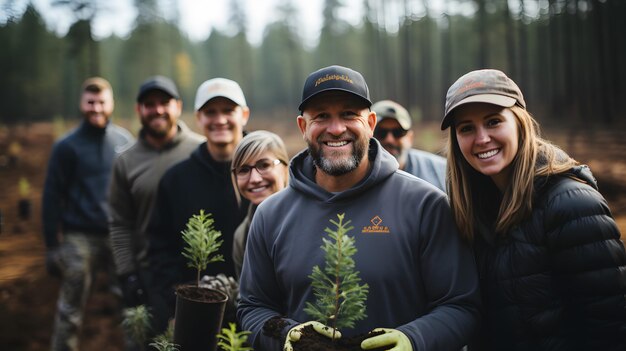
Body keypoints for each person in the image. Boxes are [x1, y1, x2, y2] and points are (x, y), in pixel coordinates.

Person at [237, 65, 481, 351]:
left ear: (371, 123)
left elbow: (461, 306)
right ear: (304, 127)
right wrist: (284, 337)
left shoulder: (425, 205)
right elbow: (252, 308)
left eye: (349, 114)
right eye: (321, 116)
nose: (336, 128)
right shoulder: (271, 215)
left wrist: (414, 340)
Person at [441, 68, 626, 351]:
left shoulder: (571, 204)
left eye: (493, 121)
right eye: (466, 128)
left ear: (519, 123)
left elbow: (609, 326)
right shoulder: (475, 208)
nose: (481, 139)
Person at [147, 77, 251, 333]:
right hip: (198, 312)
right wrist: (177, 301)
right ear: (198, 118)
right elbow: (160, 248)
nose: (220, 120)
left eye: (228, 110)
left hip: (258, 312)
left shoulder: (268, 173)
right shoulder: (176, 180)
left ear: (244, 114)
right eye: (210, 112)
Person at [42, 77, 134, 351]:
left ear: (111, 103)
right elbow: (51, 196)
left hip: (117, 235)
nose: (96, 108)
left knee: (130, 304)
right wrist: (51, 247)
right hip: (79, 237)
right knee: (70, 309)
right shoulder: (66, 146)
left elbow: (132, 190)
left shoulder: (124, 141)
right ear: (81, 104)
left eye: (101, 102)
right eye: (90, 102)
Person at [108, 76, 204, 316]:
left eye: (164, 102)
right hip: (148, 274)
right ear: (139, 110)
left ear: (178, 107)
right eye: (149, 104)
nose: (157, 110)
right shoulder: (125, 160)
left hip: (200, 271)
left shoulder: (201, 150)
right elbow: (120, 223)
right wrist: (127, 273)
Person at [230, 130, 289, 279]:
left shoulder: (311, 217)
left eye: (264, 165)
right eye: (243, 170)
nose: (255, 179)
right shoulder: (242, 237)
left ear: (285, 168)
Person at [371, 99, 446, 192]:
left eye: (398, 132)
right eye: (381, 132)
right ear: (368, 134)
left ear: (410, 138)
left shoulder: (441, 170)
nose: (389, 139)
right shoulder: (355, 176)